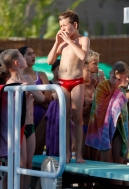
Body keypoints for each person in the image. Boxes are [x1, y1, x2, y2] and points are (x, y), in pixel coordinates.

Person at [47, 9, 90, 163]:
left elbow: (83, 56)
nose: (62, 29)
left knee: (77, 118)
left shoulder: (83, 40)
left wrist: (70, 42)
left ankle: (78, 154)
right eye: (61, 26)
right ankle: (65, 153)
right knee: (65, 117)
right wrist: (57, 43)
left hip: (77, 82)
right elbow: (50, 61)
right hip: (62, 83)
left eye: (65, 25)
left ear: (75, 25)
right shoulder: (62, 43)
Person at [0, 49, 45, 189]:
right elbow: (14, 108)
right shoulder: (10, 84)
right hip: (19, 127)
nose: (26, 58)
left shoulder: (28, 80)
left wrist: (29, 89)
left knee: (29, 165)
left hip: (30, 126)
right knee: (20, 165)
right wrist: (24, 93)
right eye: (22, 56)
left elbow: (41, 98)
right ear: (17, 62)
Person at [86, 61, 129, 185]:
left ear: (125, 78)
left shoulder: (121, 91)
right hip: (103, 129)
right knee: (107, 163)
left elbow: (124, 116)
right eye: (114, 78)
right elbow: (99, 110)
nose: (116, 81)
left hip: (118, 130)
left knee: (119, 162)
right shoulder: (101, 87)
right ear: (110, 74)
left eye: (119, 79)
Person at [18, 46, 52, 155]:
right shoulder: (17, 77)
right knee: (23, 155)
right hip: (24, 119)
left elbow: (48, 97)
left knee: (37, 152)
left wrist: (31, 97)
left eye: (33, 53)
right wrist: (38, 97)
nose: (33, 56)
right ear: (21, 57)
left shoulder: (42, 75)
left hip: (42, 118)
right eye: (29, 54)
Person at [82, 49, 101, 160]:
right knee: (85, 159)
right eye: (95, 63)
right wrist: (92, 102)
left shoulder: (96, 84)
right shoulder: (80, 87)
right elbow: (79, 113)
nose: (97, 66)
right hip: (84, 127)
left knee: (96, 160)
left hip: (96, 127)